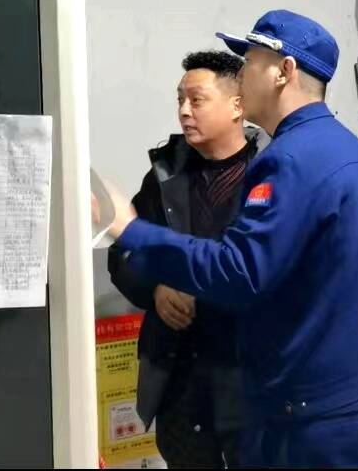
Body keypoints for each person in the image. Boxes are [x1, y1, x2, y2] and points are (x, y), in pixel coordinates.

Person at [99, 9, 358, 468]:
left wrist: (129, 228)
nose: (242, 73)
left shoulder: (289, 160)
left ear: (284, 71)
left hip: (307, 420)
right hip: (352, 408)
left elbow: (239, 271)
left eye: (251, 61)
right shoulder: (345, 149)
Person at [108, 50, 263, 468]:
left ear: (237, 105)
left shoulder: (271, 172)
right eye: (180, 100)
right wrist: (156, 287)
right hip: (179, 373)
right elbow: (123, 253)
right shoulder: (165, 175)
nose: (184, 111)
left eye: (197, 100)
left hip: (250, 375)